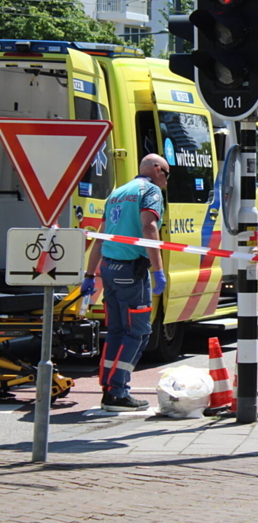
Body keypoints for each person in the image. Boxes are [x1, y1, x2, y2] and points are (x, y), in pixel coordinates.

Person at [81, 154, 170, 412]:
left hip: (109, 268)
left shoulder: (117, 193)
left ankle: (108, 388)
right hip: (131, 270)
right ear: (157, 169)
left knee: (117, 331)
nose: (166, 181)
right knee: (139, 333)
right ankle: (117, 392)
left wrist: (90, 275)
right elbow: (149, 227)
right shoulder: (150, 191)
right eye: (166, 174)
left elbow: (101, 237)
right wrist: (158, 270)